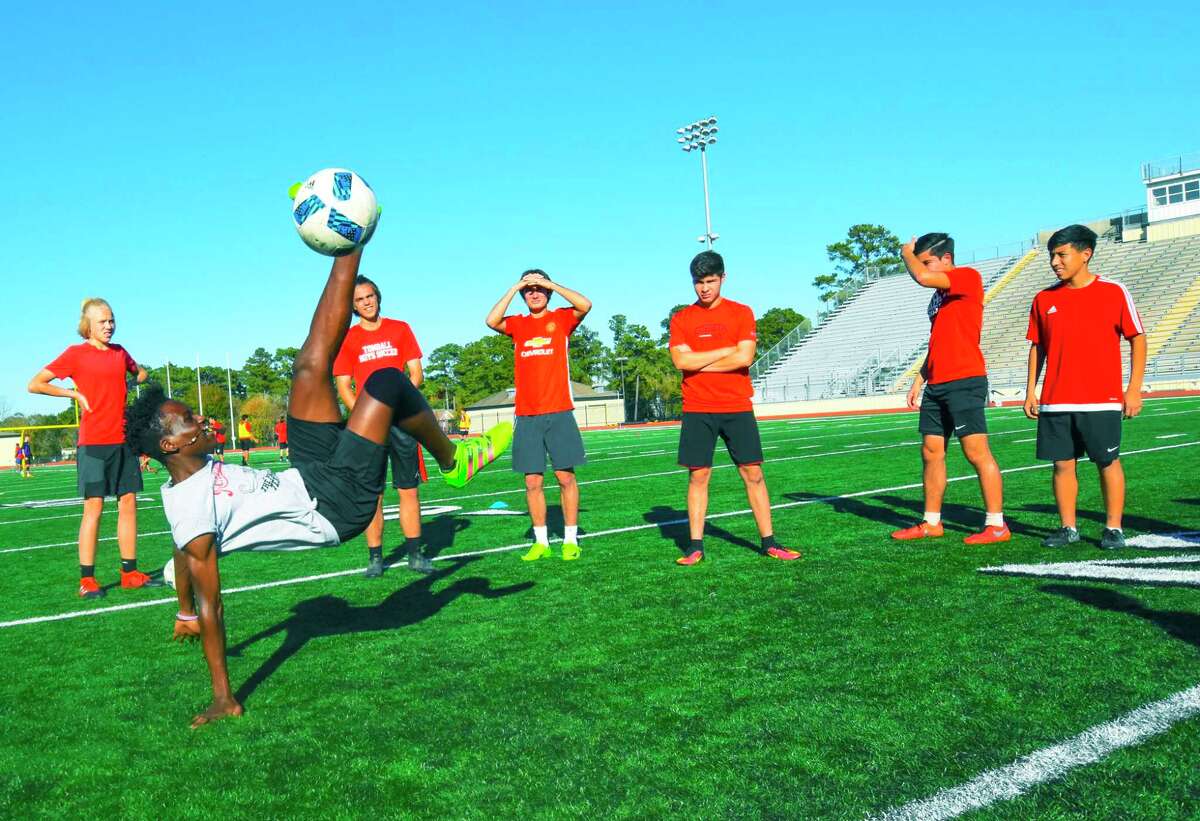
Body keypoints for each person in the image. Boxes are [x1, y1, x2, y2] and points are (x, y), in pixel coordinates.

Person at [127, 247, 511, 728]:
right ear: (169, 444)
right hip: (333, 505)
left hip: (307, 471)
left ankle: (350, 246)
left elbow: (179, 554)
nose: (201, 419)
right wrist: (222, 694)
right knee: (387, 382)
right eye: (188, 420)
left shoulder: (185, 486)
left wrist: (182, 612)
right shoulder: (192, 508)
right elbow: (212, 600)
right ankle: (454, 459)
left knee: (309, 364)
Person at [668, 251, 801, 565]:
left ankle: (769, 542)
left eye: (710, 281)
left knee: (753, 473)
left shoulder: (741, 312)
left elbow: (744, 358)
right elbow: (680, 361)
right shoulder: (681, 318)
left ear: (723, 278)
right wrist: (724, 351)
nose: (704, 288)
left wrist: (699, 362)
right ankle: (695, 546)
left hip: (737, 406)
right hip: (697, 408)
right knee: (698, 476)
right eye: (698, 282)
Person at [1024, 224, 1146, 549]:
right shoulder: (1043, 299)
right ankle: (1068, 528)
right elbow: (1037, 346)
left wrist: (1134, 389)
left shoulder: (1114, 291)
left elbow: (1137, 338)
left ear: (1086, 253)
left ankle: (1113, 528)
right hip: (1055, 400)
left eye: (1061, 255)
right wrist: (1030, 391)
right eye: (1052, 256)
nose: (1054, 262)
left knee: (1107, 462)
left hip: (1101, 399)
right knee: (1062, 464)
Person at [28, 297, 157, 597]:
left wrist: (133, 381)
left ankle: (130, 573)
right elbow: (35, 384)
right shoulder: (75, 354)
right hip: (93, 444)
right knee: (94, 508)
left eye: (112, 320)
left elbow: (141, 373)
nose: (109, 326)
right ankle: (87, 580)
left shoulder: (120, 352)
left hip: (123, 441)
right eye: (103, 321)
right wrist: (73, 394)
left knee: (128, 503)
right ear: (88, 325)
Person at [891, 233, 1008, 544]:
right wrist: (920, 378)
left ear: (946, 258)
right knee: (931, 452)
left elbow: (922, 276)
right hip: (937, 382)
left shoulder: (967, 277)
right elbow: (938, 340)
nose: (924, 266)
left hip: (964, 379)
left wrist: (906, 253)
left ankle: (996, 524)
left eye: (928, 260)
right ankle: (931, 522)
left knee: (976, 452)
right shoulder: (938, 297)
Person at [485, 269, 591, 561]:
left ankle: (570, 539)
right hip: (527, 415)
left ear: (548, 292)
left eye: (539, 288)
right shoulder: (518, 324)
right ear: (523, 294)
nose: (534, 293)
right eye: (529, 289)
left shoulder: (561, 318)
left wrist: (549, 282)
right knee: (532, 481)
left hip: (559, 411)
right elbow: (491, 320)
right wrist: (514, 287)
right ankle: (541, 541)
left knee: (565, 477)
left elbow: (585, 304)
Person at [334, 275, 431, 577]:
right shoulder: (348, 338)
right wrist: (368, 415)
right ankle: (375, 558)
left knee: (408, 490)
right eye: (360, 299)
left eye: (370, 296)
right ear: (353, 306)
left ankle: (415, 555)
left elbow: (416, 374)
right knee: (372, 495)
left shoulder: (400, 329)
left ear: (378, 297)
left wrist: (400, 405)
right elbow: (344, 387)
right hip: (369, 431)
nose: (367, 302)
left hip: (402, 422)